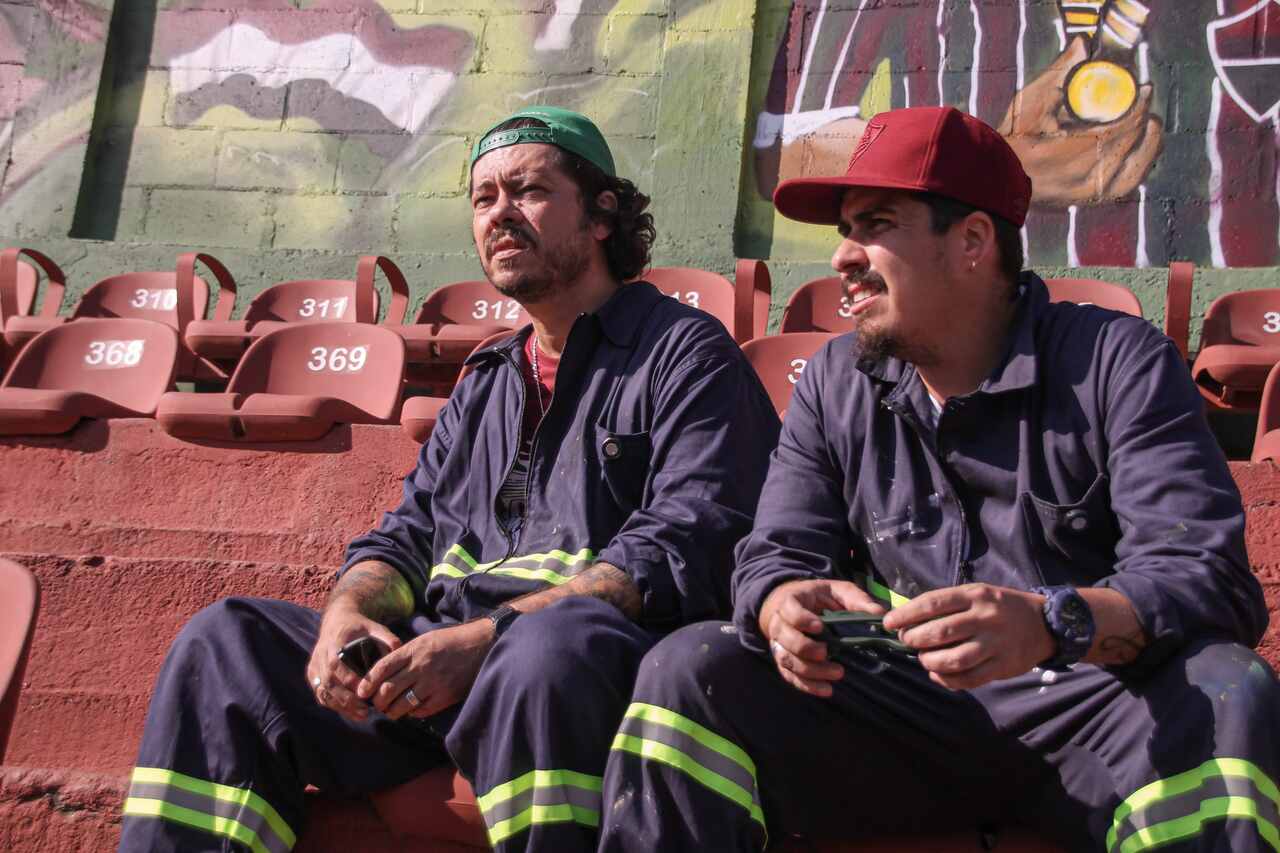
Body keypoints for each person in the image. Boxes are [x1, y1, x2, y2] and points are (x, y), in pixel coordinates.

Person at [597, 106, 1278, 852]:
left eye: (877, 224)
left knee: (1227, 689)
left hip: (1089, 703)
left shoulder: (1119, 360)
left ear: (974, 242)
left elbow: (1206, 575)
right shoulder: (835, 378)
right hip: (900, 710)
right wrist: (779, 602)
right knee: (689, 671)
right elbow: (776, 550)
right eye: (845, 231)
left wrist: (1050, 622)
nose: (845, 257)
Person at [118, 106, 780, 853]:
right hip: (436, 670)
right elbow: (407, 534)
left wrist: (489, 637)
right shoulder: (487, 379)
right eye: (482, 197)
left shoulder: (685, 352)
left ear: (602, 216)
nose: (499, 213)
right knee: (226, 640)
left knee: (546, 649)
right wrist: (348, 613)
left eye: (526, 190)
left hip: (576, 674)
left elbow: (691, 536)